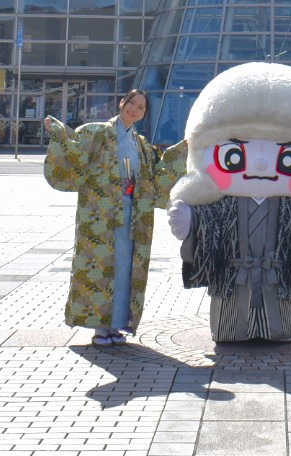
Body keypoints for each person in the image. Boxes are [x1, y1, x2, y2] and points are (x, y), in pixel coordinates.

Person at [167, 62, 291, 343]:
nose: (261, 164)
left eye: (289, 159)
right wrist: (193, 220)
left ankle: (280, 330)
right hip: (234, 275)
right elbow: (211, 219)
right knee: (232, 316)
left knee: (278, 312)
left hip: (276, 275)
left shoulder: (288, 205)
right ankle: (231, 330)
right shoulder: (225, 202)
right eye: (233, 155)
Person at [45, 90, 187, 347]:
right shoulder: (98, 132)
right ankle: (99, 327)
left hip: (132, 214)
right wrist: (58, 131)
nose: (134, 109)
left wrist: (185, 149)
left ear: (144, 114)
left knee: (124, 269)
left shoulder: (141, 143)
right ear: (122, 103)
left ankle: (116, 324)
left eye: (141, 107)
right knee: (99, 267)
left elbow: (157, 173)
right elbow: (74, 149)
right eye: (131, 103)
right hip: (100, 215)